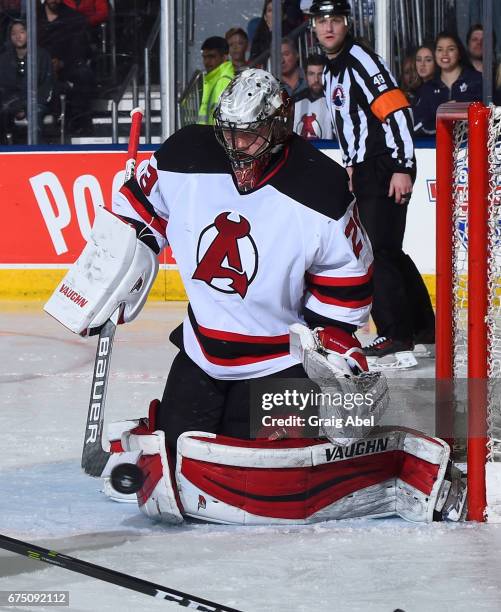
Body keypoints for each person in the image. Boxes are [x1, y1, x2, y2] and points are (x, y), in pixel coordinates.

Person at [310, 0, 436, 367]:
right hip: (365, 169)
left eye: (335, 20)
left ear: (347, 23)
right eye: (322, 21)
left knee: (376, 253)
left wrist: (402, 166)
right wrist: (350, 166)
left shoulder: (361, 61)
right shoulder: (333, 71)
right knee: (388, 251)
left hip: (384, 166)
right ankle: (423, 328)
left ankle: (396, 334)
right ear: (314, 27)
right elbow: (349, 127)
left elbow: (397, 112)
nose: (329, 27)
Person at [38, 0, 95, 134]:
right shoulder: (33, 18)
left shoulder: (74, 18)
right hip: (39, 67)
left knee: (83, 74)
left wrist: (62, 62)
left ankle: (79, 124)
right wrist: (46, 62)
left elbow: (81, 49)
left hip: (67, 67)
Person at [413, 32, 482, 136]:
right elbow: (417, 125)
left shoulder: (477, 80)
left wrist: (460, 106)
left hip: (473, 147)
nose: (444, 54)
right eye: (440, 49)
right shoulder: (427, 89)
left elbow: (489, 115)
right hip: (434, 149)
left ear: (459, 53)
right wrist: (442, 114)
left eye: (451, 49)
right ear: (435, 54)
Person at [0, 19, 53, 143]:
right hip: (11, 103)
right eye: (14, 33)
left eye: (22, 32)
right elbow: (3, 87)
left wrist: (25, 107)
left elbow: (46, 86)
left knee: (35, 113)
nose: (18, 36)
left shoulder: (42, 56)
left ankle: (36, 153)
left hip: (36, 103)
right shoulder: (3, 59)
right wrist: (16, 106)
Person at [293, 53, 333, 139]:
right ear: (305, 75)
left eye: (320, 74)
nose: (316, 80)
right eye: (311, 74)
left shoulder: (334, 102)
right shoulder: (294, 102)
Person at [197, 36, 234, 125]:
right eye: (204, 57)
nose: (207, 61)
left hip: (214, 136)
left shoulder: (225, 80)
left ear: (224, 57)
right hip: (208, 135)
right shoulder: (212, 79)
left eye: (211, 56)